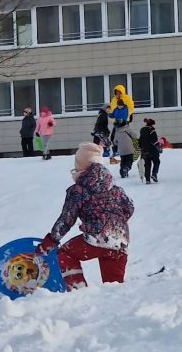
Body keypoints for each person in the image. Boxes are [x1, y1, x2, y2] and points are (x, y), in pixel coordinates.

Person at [36, 142, 134, 290]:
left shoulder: (79, 189)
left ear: (81, 165)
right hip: (120, 240)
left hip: (98, 237)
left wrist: (51, 241)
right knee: (113, 288)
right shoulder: (115, 188)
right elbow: (129, 207)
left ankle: (78, 291)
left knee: (66, 253)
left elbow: (67, 218)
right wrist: (114, 222)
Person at [139, 118, 160, 184]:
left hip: (144, 150)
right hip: (152, 150)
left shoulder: (142, 130)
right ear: (152, 124)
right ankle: (154, 174)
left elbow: (140, 140)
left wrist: (141, 148)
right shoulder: (152, 130)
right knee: (157, 161)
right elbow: (155, 141)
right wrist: (159, 147)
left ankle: (147, 179)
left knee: (147, 164)